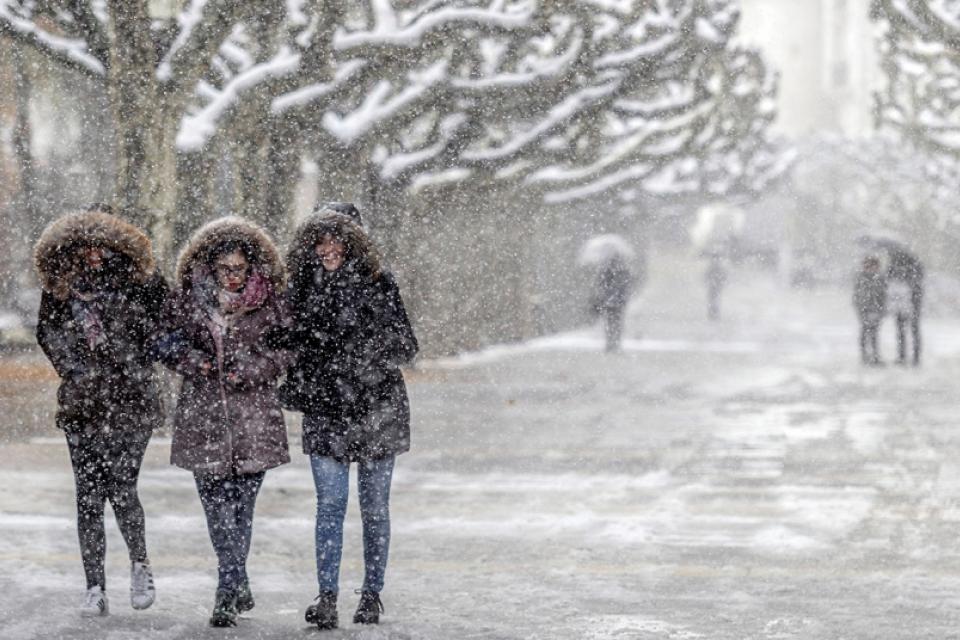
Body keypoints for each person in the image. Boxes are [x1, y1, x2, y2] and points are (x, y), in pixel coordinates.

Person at [278, 203, 418, 630]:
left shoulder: (379, 283)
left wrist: (361, 355)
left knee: (374, 507)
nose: (327, 248)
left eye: (336, 238)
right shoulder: (300, 287)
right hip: (326, 409)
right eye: (319, 240)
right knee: (330, 506)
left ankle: (371, 595)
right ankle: (326, 597)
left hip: (377, 408)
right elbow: (288, 342)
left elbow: (406, 346)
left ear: (354, 241)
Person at [34, 206, 167, 617]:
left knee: (123, 487)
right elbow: (47, 331)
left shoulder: (141, 282)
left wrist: (134, 358)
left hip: (132, 402)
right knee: (88, 497)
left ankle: (140, 564)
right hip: (83, 405)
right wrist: (74, 368)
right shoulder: (61, 286)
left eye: (103, 243)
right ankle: (94, 586)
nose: (94, 253)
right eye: (86, 245)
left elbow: (166, 326)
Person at [157, 217, 290, 627]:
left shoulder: (270, 301)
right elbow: (164, 341)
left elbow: (288, 349)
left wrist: (252, 368)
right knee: (216, 509)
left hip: (254, 419)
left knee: (242, 508)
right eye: (224, 269)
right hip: (204, 418)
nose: (232, 277)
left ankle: (229, 585)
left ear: (251, 267)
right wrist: (197, 362)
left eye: (239, 269)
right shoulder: (187, 300)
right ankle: (232, 582)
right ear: (210, 267)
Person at [590, 254, 634, 352]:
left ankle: (610, 343)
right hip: (619, 302)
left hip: (609, 301)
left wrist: (604, 296)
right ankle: (616, 343)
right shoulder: (624, 271)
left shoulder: (605, 271)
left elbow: (600, 285)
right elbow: (627, 286)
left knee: (610, 322)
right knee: (617, 323)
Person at [887, 251, 923, 366]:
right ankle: (913, 357)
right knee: (911, 331)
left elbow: (889, 281)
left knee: (904, 332)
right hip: (908, 304)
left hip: (906, 304)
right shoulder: (914, 267)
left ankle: (904, 357)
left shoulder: (899, 267)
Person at [853, 255, 886, 366]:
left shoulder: (880, 279)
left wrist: (881, 310)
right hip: (865, 309)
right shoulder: (861, 278)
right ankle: (865, 356)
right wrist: (861, 309)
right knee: (865, 333)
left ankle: (875, 356)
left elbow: (883, 296)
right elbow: (857, 296)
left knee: (874, 334)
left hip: (876, 310)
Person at [704, 253, 727, 321]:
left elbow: (724, 277)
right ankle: (712, 314)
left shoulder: (717, 268)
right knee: (713, 300)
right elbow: (706, 276)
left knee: (715, 301)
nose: (715, 261)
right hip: (713, 287)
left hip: (716, 287)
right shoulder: (713, 268)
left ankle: (714, 314)